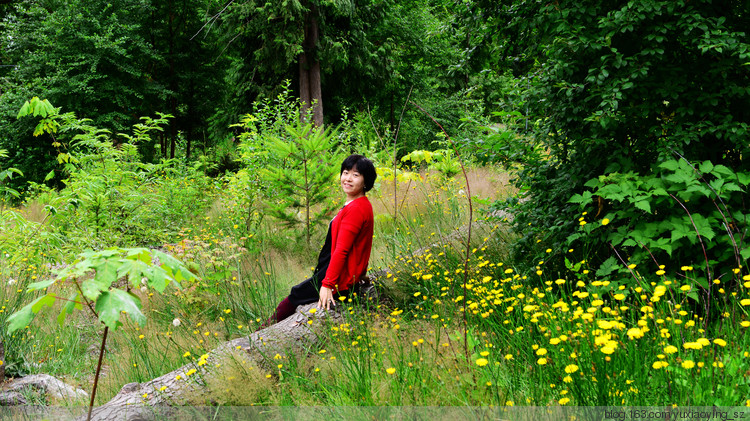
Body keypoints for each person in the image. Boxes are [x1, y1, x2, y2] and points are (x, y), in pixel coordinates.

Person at [264, 154, 377, 325]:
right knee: (299, 294)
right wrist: (360, 272)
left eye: (355, 175)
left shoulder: (356, 209)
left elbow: (343, 249)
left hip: (338, 278)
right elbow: (361, 244)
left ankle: (262, 333)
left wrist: (328, 284)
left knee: (296, 294)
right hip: (335, 272)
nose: (348, 178)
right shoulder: (358, 204)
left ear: (366, 181)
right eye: (345, 173)